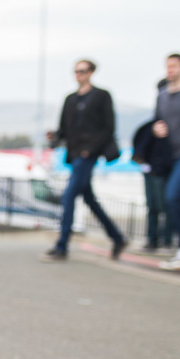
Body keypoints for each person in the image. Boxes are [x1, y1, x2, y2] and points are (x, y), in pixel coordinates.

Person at [40, 60, 127, 262]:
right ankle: (117, 237)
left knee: (68, 195)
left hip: (88, 155)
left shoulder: (101, 96)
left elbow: (108, 128)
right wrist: (54, 137)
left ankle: (62, 246)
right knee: (88, 199)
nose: (78, 75)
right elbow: (63, 128)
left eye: (82, 71)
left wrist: (91, 150)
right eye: (76, 71)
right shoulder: (70, 99)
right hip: (74, 154)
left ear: (91, 72)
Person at [131, 108, 176, 253]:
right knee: (155, 207)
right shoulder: (150, 127)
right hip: (153, 171)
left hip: (163, 172)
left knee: (165, 205)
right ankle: (154, 240)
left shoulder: (172, 128)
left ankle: (164, 240)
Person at [156, 54, 180, 271]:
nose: (169, 70)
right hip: (170, 156)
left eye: (174, 66)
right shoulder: (162, 95)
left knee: (172, 197)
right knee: (170, 200)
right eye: (168, 66)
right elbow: (158, 120)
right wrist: (157, 128)